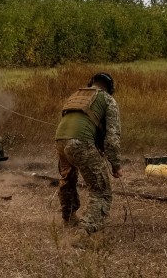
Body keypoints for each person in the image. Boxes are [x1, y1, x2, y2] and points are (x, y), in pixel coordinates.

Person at [54, 72, 122, 234]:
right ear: (110, 88)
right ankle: (85, 231)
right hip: (80, 142)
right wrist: (115, 164)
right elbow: (112, 137)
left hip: (60, 140)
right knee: (101, 192)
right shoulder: (108, 99)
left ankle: (69, 218)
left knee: (68, 181)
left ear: (91, 83)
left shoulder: (75, 95)